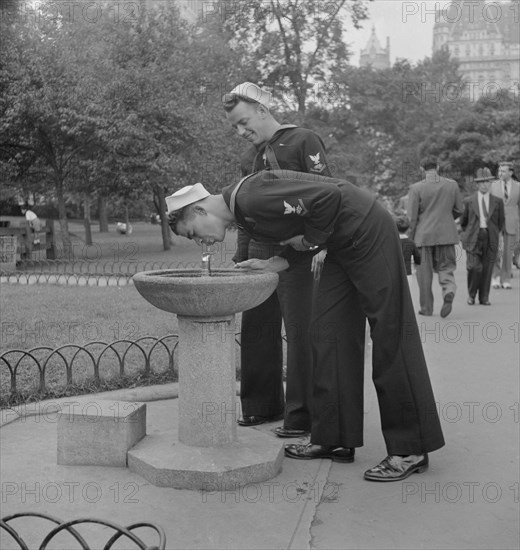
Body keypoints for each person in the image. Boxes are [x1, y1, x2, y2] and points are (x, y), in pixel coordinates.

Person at [165, 170, 445, 482]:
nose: (197, 241)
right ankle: (334, 437)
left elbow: (329, 198)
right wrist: (277, 262)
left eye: (190, 232)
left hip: (367, 230)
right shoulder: (244, 212)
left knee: (390, 332)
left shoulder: (249, 196)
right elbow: (307, 219)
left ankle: (410, 448)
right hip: (340, 244)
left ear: (199, 210)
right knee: (328, 334)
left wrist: (311, 239)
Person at [221, 82, 332, 438]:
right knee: (257, 330)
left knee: (300, 333)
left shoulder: (303, 140)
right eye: (235, 128)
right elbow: (242, 213)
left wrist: (322, 245)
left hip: (297, 253)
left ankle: (302, 416)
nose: (240, 132)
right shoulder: (247, 158)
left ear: (262, 110)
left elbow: (327, 196)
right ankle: (260, 407)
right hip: (257, 251)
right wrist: (241, 257)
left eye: (243, 122)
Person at [408, 157, 463, 318]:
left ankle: (426, 308)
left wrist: (410, 239)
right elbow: (460, 209)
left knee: (423, 274)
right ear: (438, 167)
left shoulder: (416, 188)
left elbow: (412, 217)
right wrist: (447, 218)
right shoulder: (452, 185)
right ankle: (449, 290)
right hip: (446, 235)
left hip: (423, 236)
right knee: (446, 268)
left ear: (421, 169)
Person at [460, 167, 505, 306]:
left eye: (488, 182)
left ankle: (484, 297)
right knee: (474, 267)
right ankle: (471, 295)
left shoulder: (497, 201)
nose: (485, 185)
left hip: (490, 237)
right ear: (477, 184)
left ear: (491, 183)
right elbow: (464, 222)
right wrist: (467, 234)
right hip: (474, 237)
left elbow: (501, 221)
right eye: (482, 182)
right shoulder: (469, 201)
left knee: (487, 268)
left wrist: (495, 234)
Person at [490, 161, 520, 290]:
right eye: (499, 171)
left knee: (508, 251)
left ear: (511, 172)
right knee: (495, 250)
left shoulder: (518, 186)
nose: (500, 173)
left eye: (503, 171)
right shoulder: (492, 185)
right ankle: (495, 277)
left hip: (512, 221)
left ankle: (506, 278)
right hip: (495, 222)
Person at [395, 215, 421, 285]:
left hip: (394, 274)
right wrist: (416, 264)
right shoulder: (411, 243)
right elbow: (418, 257)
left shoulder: (392, 242)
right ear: (408, 229)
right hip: (407, 272)